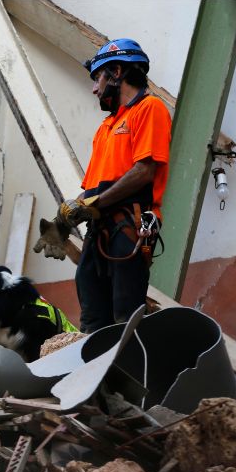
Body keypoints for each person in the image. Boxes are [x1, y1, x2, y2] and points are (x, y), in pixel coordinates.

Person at [57, 38, 172, 334]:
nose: (94, 88)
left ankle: (132, 361)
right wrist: (65, 216)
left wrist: (92, 204)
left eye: (98, 77)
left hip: (131, 223)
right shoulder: (106, 128)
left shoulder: (149, 108)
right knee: (92, 319)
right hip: (99, 228)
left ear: (117, 71)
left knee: (125, 314)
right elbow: (92, 188)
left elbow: (144, 171)